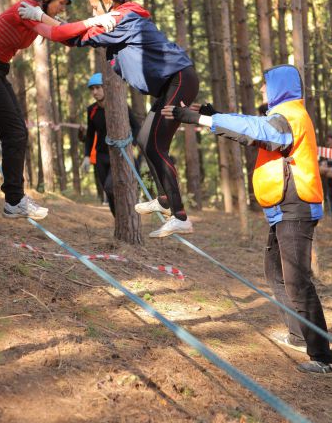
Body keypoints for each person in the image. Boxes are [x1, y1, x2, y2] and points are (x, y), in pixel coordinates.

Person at [162, 64, 332, 374]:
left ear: (280, 87)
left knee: (297, 281)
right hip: (283, 207)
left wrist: (202, 118)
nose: (264, 91)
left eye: (267, 86)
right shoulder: (280, 117)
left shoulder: (291, 116)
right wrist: (215, 115)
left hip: (296, 208)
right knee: (276, 275)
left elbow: (262, 131)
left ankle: (322, 356)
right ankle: (299, 335)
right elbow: (253, 132)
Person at [18, 0, 199, 237]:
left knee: (154, 144)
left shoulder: (122, 17)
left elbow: (70, 32)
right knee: (146, 141)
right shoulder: (114, 20)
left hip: (180, 79)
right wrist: (41, 21)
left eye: (94, 6)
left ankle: (180, 215)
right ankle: (164, 200)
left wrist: (40, 16)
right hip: (172, 84)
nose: (92, 11)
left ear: (107, 2)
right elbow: (73, 38)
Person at [0, 0, 118, 220]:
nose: (61, 9)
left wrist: (98, 28)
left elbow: (67, 37)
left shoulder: (39, 15)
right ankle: (14, 200)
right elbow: (59, 31)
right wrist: (93, 21)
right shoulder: (26, 9)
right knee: (14, 132)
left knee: (18, 132)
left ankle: (15, 198)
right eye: (61, 3)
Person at [81, 72, 140, 216]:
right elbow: (90, 134)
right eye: (92, 89)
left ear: (106, 87)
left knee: (110, 187)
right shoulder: (92, 110)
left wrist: (134, 145)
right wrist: (87, 156)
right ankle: (119, 220)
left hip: (120, 154)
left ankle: (129, 214)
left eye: (98, 88)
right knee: (108, 190)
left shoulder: (120, 106)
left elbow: (136, 126)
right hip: (101, 157)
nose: (95, 92)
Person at [319, 131, 332, 214]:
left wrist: (327, 170)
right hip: (329, 184)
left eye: (329, 140)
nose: (327, 142)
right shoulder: (327, 152)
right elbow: (321, 169)